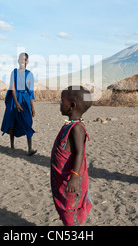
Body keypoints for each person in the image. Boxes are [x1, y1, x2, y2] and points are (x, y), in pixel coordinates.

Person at [51, 85, 93, 226]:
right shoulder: (71, 125)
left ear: (72, 106)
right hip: (63, 177)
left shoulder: (77, 128)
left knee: (70, 209)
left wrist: (74, 177)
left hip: (69, 179)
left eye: (62, 101)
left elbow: (79, 153)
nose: (60, 104)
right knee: (65, 208)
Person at [0, 53, 37, 156]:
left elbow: (30, 92)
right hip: (14, 98)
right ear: (18, 60)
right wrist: (16, 103)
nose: (22, 61)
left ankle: (30, 149)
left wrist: (32, 108)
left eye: (24, 60)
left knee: (28, 122)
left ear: (27, 61)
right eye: (20, 59)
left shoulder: (29, 74)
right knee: (12, 122)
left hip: (25, 100)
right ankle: (12, 147)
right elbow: (13, 88)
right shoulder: (14, 72)